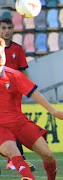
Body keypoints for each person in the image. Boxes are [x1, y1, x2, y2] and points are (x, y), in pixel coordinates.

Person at [0, 38, 63, 180]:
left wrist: (53, 111)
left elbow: (34, 93)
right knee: (14, 153)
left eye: (1, 52)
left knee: (47, 155)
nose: (0, 56)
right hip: (1, 127)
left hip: (20, 123)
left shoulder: (14, 75)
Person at [0, 18, 35, 171]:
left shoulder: (18, 49)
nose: (7, 31)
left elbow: (23, 70)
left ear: (13, 29)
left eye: (9, 28)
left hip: (14, 96)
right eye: (3, 28)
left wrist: (28, 87)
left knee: (14, 126)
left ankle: (16, 160)